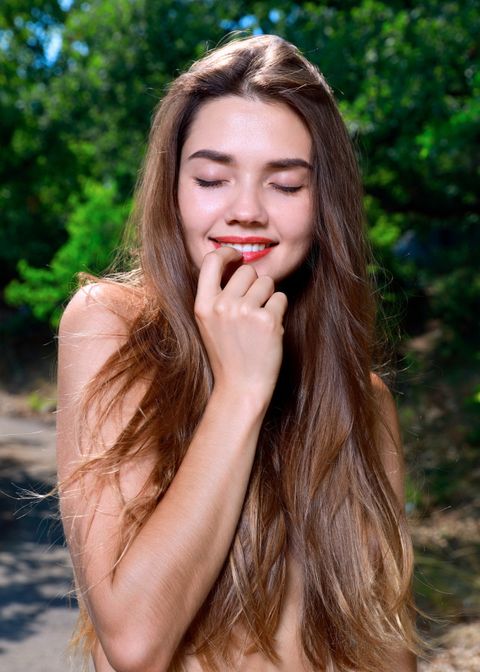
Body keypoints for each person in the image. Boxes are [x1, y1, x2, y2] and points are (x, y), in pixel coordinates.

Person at [56, 34, 419, 672]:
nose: (246, 210)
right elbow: (135, 641)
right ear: (173, 188)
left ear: (323, 203)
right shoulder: (109, 329)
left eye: (285, 184)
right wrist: (242, 390)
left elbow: (388, 648)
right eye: (212, 178)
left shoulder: (363, 401)